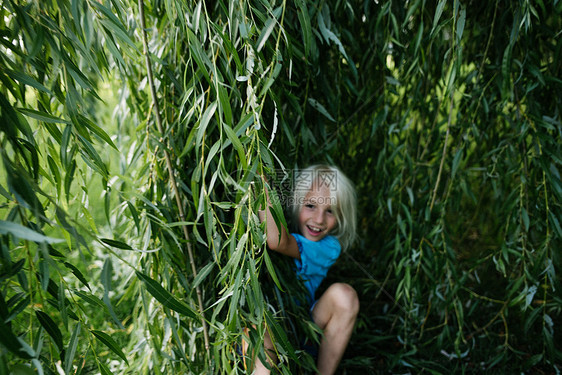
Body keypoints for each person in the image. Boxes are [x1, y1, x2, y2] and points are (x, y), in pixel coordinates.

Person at [254, 164, 360, 375]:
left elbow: (276, 241)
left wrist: (259, 183)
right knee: (264, 329)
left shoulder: (329, 248)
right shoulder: (284, 223)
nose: (319, 220)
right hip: (260, 329)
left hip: (301, 329)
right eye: (311, 206)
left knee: (345, 296)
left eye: (330, 211)